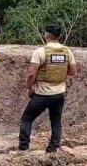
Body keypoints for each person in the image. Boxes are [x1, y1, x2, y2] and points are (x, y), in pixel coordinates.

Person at [18, 24, 77, 153]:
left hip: (42, 93)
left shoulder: (40, 52)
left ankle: (23, 148)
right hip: (59, 93)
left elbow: (32, 74)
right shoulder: (67, 51)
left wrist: (29, 87)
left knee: (27, 118)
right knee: (56, 121)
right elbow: (72, 72)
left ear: (47, 35)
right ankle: (53, 148)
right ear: (59, 36)